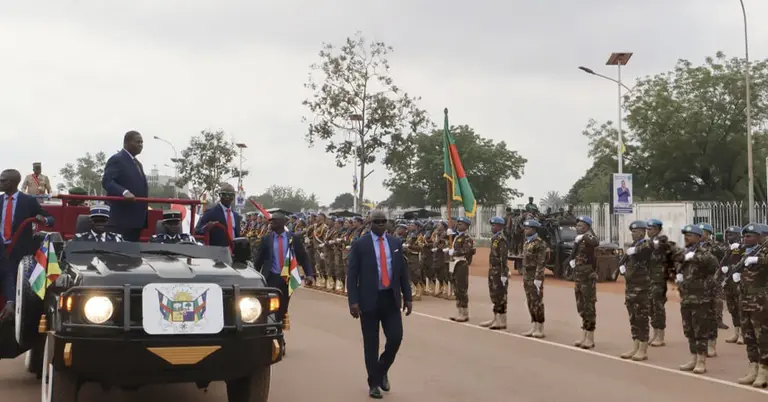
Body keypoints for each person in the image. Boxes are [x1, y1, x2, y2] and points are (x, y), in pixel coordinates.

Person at [347, 210, 412, 399]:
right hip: (368, 300)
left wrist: (408, 297)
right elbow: (352, 274)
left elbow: (402, 273)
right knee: (371, 344)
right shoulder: (360, 244)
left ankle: (381, 370)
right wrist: (353, 301)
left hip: (390, 299)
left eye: (384, 221)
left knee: (396, 338)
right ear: (370, 223)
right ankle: (374, 383)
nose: (381, 224)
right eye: (377, 221)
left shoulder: (395, 243)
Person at [0, 169, 54, 321]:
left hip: (19, 251)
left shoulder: (28, 201)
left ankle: (13, 310)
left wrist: (44, 220)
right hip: (1, 249)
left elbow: (50, 219)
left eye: (3, 180)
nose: (0, 182)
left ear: (13, 183)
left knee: (12, 274)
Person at [252, 212, 314, 327]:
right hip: (271, 277)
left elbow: (303, 258)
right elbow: (259, 260)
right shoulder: (266, 239)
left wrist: (309, 274)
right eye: (270, 221)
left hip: (287, 278)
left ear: (282, 223)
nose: (271, 223)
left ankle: (279, 328)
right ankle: (270, 327)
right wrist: (254, 277)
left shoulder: (293, 238)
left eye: (274, 221)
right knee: (270, 305)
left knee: (283, 307)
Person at [674, 224, 718, 374]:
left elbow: (713, 264)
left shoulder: (704, 252)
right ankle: (693, 358)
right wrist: (678, 276)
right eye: (685, 235)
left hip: (701, 298)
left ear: (699, 238)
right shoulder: (684, 252)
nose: (686, 237)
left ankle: (701, 361)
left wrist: (694, 257)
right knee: (689, 330)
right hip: (686, 297)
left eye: (690, 235)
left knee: (700, 330)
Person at [734, 223, 768, 387]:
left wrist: (758, 260)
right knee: (749, 336)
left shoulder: (764, 251)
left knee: (763, 337)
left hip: (761, 301)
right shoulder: (745, 251)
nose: (745, 239)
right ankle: (753, 368)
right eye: (744, 236)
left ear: (760, 237)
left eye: (749, 236)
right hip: (745, 299)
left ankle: (764, 371)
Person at [102, 131, 149, 241]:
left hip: (137, 219)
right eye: (137, 142)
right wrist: (124, 192)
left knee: (133, 249)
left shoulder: (138, 163)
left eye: (142, 142)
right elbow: (107, 181)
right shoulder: (117, 159)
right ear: (126, 143)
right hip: (121, 218)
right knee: (118, 250)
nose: (140, 145)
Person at [618, 220, 653, 361]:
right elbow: (624, 259)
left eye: (635, 231)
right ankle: (635, 346)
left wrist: (635, 250)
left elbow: (648, 248)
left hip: (642, 289)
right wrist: (622, 266)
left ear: (643, 232)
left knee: (642, 318)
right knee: (633, 318)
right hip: (631, 288)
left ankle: (643, 349)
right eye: (632, 231)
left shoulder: (646, 244)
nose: (633, 234)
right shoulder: (633, 245)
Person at [569, 215, 599, 349]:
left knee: (589, 306)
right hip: (579, 276)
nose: (577, 227)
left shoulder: (589, 237)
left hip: (588, 277)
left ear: (587, 227)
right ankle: (584, 334)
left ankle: (590, 338)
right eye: (577, 225)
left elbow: (596, 242)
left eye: (581, 225)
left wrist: (584, 237)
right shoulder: (578, 240)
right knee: (581, 306)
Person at [479, 216, 509, 330]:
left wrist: (503, 274)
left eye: (494, 225)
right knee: (494, 295)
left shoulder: (501, 239)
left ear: (500, 226)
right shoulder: (495, 238)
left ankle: (502, 320)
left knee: (500, 295)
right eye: (491, 225)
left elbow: (503, 258)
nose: (492, 227)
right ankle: (496, 318)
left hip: (499, 270)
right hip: (493, 270)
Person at [520, 219, 547, 338]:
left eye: (528, 228)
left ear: (534, 229)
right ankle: (534, 325)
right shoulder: (527, 242)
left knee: (537, 302)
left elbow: (541, 262)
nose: (525, 230)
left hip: (535, 276)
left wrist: (538, 278)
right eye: (525, 228)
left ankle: (540, 327)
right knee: (530, 301)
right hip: (527, 276)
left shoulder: (540, 243)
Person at [194, 184, 241, 248]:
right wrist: (206, 228)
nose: (227, 198)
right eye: (224, 195)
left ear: (234, 197)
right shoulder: (210, 213)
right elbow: (197, 231)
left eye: (230, 195)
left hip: (233, 251)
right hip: (217, 251)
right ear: (220, 195)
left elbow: (237, 236)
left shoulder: (236, 216)